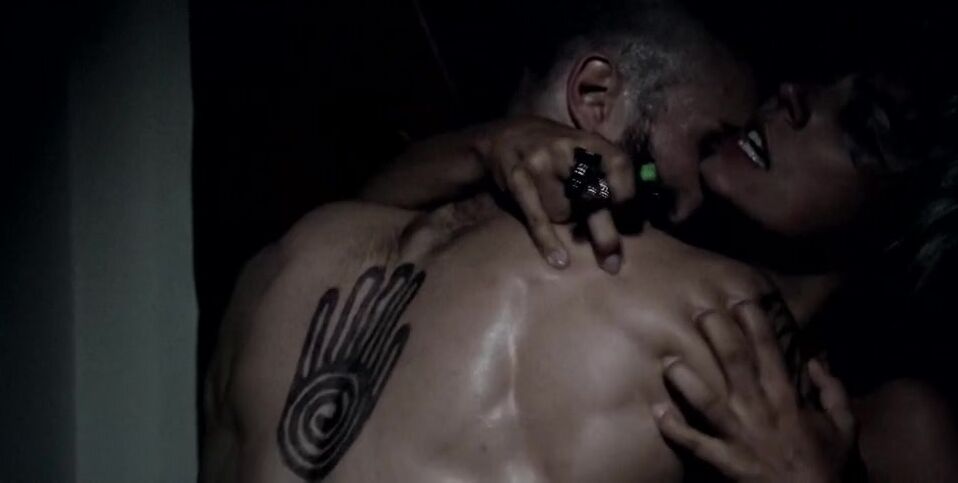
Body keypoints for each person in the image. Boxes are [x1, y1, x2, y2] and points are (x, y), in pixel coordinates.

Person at [201, 3, 958, 482]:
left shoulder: (294, 257)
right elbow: (599, 180)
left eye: (865, 128)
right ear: (593, 97)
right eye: (709, 141)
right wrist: (495, 143)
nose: (791, 99)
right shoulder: (658, 272)